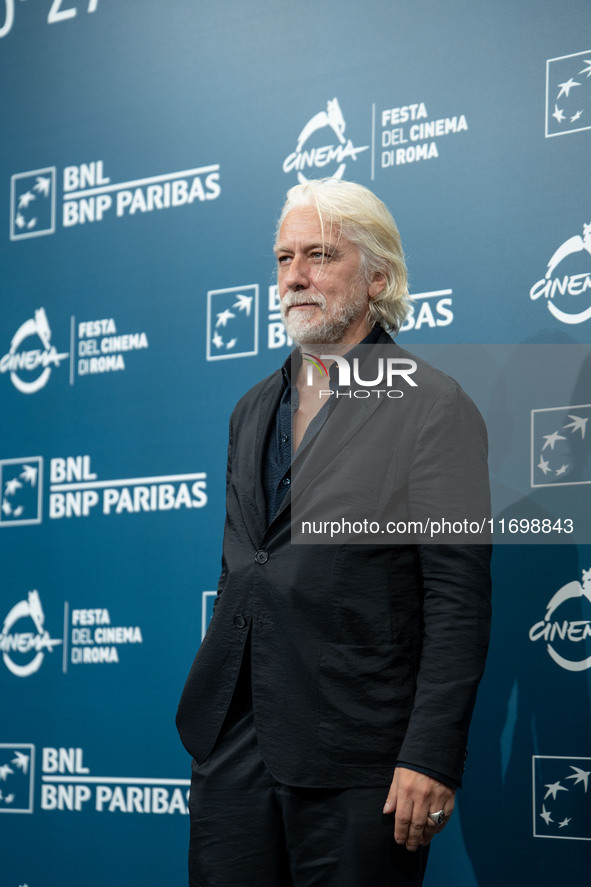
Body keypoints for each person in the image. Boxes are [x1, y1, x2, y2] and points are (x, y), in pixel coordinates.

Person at [177, 178, 492, 886]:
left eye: (319, 254)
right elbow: (243, 564)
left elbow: (456, 598)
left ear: (376, 275)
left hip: (358, 753)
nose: (294, 276)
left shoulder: (433, 406)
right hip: (234, 744)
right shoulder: (250, 408)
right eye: (283, 257)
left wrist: (430, 753)